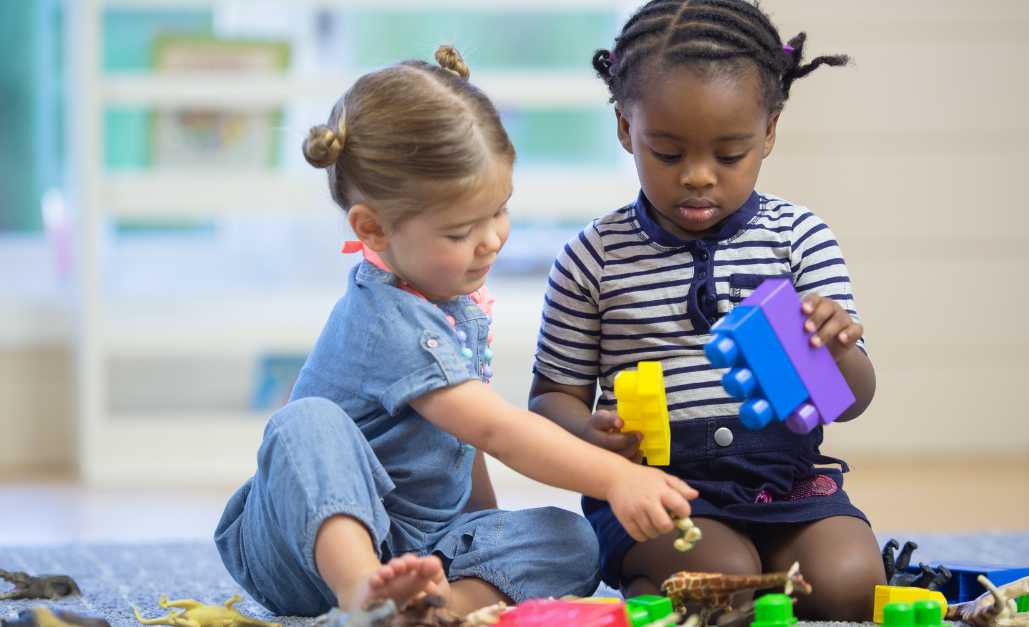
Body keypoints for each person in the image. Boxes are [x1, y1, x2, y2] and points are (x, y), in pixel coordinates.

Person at [214, 46, 697, 618]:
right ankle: (363, 594)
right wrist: (616, 476)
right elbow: (497, 429)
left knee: (574, 540)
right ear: (373, 227)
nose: (493, 239)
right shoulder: (385, 317)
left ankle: (438, 607)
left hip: (418, 546)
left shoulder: (451, 302)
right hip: (301, 547)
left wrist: (484, 534)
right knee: (305, 422)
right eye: (462, 230)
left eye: (500, 210)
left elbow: (463, 444)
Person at [528, 2, 885, 620]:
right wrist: (590, 436)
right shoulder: (593, 258)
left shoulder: (799, 238)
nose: (698, 177)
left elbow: (849, 402)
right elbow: (550, 398)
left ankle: (747, 576)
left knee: (850, 585)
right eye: (667, 153)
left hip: (789, 481)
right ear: (623, 128)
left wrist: (837, 349)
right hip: (656, 491)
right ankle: (660, 579)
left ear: (769, 132)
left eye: (729, 155)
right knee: (726, 579)